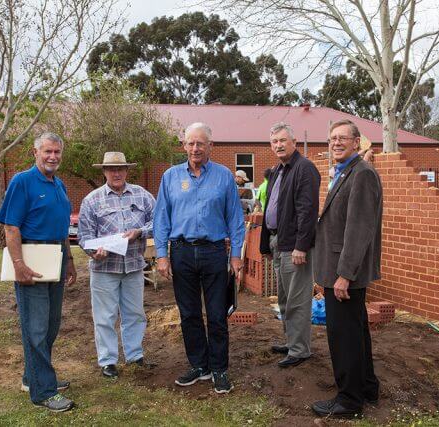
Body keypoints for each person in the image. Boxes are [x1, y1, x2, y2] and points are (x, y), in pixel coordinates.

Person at [153, 122, 245, 394]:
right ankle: (199, 365)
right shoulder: (170, 177)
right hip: (181, 252)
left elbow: (235, 219)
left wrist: (236, 256)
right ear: (184, 146)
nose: (195, 148)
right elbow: (161, 219)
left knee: (217, 314)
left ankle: (219, 369)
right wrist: (161, 255)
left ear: (210, 146)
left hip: (214, 252)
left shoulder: (224, 176)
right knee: (189, 313)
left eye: (200, 143)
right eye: (190, 143)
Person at [0, 132, 77, 413]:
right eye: (47, 152)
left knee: (51, 325)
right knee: (36, 327)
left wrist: (69, 260)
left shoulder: (59, 185)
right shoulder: (22, 181)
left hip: (55, 257)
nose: (53, 157)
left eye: (57, 152)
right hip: (31, 258)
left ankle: (32, 377)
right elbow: (11, 227)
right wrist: (18, 264)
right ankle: (44, 391)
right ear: (35, 152)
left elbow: (62, 226)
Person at [311, 119, 383, 418]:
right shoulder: (347, 172)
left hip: (344, 272)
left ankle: (349, 400)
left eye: (343, 138)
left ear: (357, 142)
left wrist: (344, 275)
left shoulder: (362, 174)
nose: (336, 143)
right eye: (332, 139)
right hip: (339, 268)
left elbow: (359, 229)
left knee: (343, 336)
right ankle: (366, 386)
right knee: (356, 332)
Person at [77, 152, 155, 379]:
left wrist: (140, 231)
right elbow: (84, 236)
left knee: (135, 313)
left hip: (133, 266)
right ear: (104, 172)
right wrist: (93, 251)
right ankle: (108, 361)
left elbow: (159, 220)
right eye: (111, 169)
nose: (117, 173)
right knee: (105, 316)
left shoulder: (142, 195)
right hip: (104, 269)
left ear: (127, 170)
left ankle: (134, 355)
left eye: (121, 168)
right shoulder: (92, 200)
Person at [259, 122, 320, 368]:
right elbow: (269, 209)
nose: (278, 145)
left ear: (294, 142)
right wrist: (266, 244)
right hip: (278, 242)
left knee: (297, 300)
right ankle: (291, 341)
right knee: (284, 300)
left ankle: (299, 350)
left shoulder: (304, 169)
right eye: (274, 142)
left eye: (283, 140)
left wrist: (301, 246)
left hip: (295, 246)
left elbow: (308, 211)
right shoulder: (277, 170)